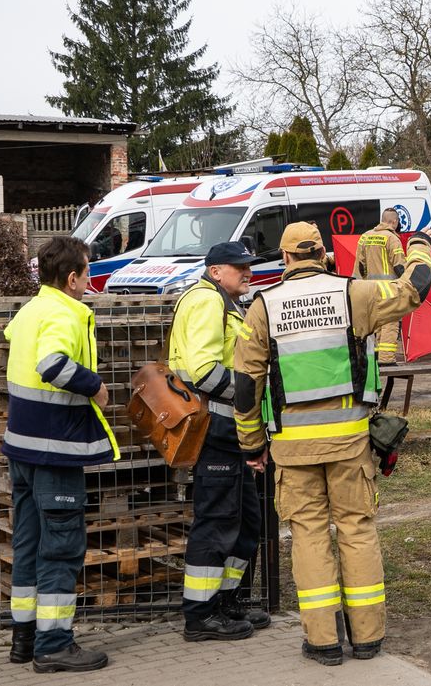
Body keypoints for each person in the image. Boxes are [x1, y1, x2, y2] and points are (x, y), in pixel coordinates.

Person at [233, 221, 431, 666]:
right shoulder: (353, 294)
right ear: (322, 252)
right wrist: (419, 247)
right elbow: (415, 287)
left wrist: (251, 445)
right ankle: (367, 638)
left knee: (308, 536)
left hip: (293, 450)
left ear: (284, 259)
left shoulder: (262, 309)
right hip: (349, 442)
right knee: (357, 531)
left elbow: (245, 387)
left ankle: (323, 641)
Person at [2, 236, 115, 673]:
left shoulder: (30, 310)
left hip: (23, 448)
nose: (88, 282)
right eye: (87, 273)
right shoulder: (65, 313)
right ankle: (53, 644)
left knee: (28, 544)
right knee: (62, 548)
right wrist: (96, 386)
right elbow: (52, 364)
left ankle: (23, 638)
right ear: (72, 279)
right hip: (55, 452)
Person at [170, 241, 271, 642]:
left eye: (248, 265)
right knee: (216, 523)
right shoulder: (207, 302)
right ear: (215, 271)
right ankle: (200, 615)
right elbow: (204, 372)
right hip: (216, 429)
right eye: (238, 267)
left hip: (232, 432)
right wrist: (251, 393)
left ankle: (226, 601)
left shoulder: (223, 302)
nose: (247, 272)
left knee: (245, 522)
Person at [354, 208, 407, 364]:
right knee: (390, 324)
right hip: (389, 289)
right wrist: (406, 282)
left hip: (369, 289)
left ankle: (376, 355)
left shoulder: (365, 237)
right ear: (394, 222)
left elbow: (360, 266)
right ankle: (387, 360)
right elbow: (399, 266)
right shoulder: (392, 238)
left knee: (376, 323)